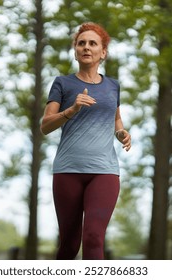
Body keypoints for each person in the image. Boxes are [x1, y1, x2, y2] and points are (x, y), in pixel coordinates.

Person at [40, 22, 131, 260]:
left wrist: (122, 134)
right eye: (81, 43)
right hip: (68, 170)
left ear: (103, 52)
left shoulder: (113, 86)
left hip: (104, 171)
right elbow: (45, 125)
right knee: (69, 244)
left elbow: (116, 121)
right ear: (75, 51)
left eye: (93, 43)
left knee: (93, 238)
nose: (86, 47)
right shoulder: (63, 83)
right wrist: (72, 109)